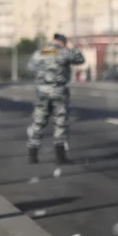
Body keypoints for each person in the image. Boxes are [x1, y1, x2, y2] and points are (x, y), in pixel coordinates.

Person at [26, 33, 85, 165]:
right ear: (63, 42)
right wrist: (72, 48)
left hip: (42, 92)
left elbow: (30, 67)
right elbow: (80, 59)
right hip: (59, 92)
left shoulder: (42, 51)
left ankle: (32, 154)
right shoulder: (64, 52)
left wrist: (42, 74)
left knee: (38, 121)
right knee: (60, 122)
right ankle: (60, 156)